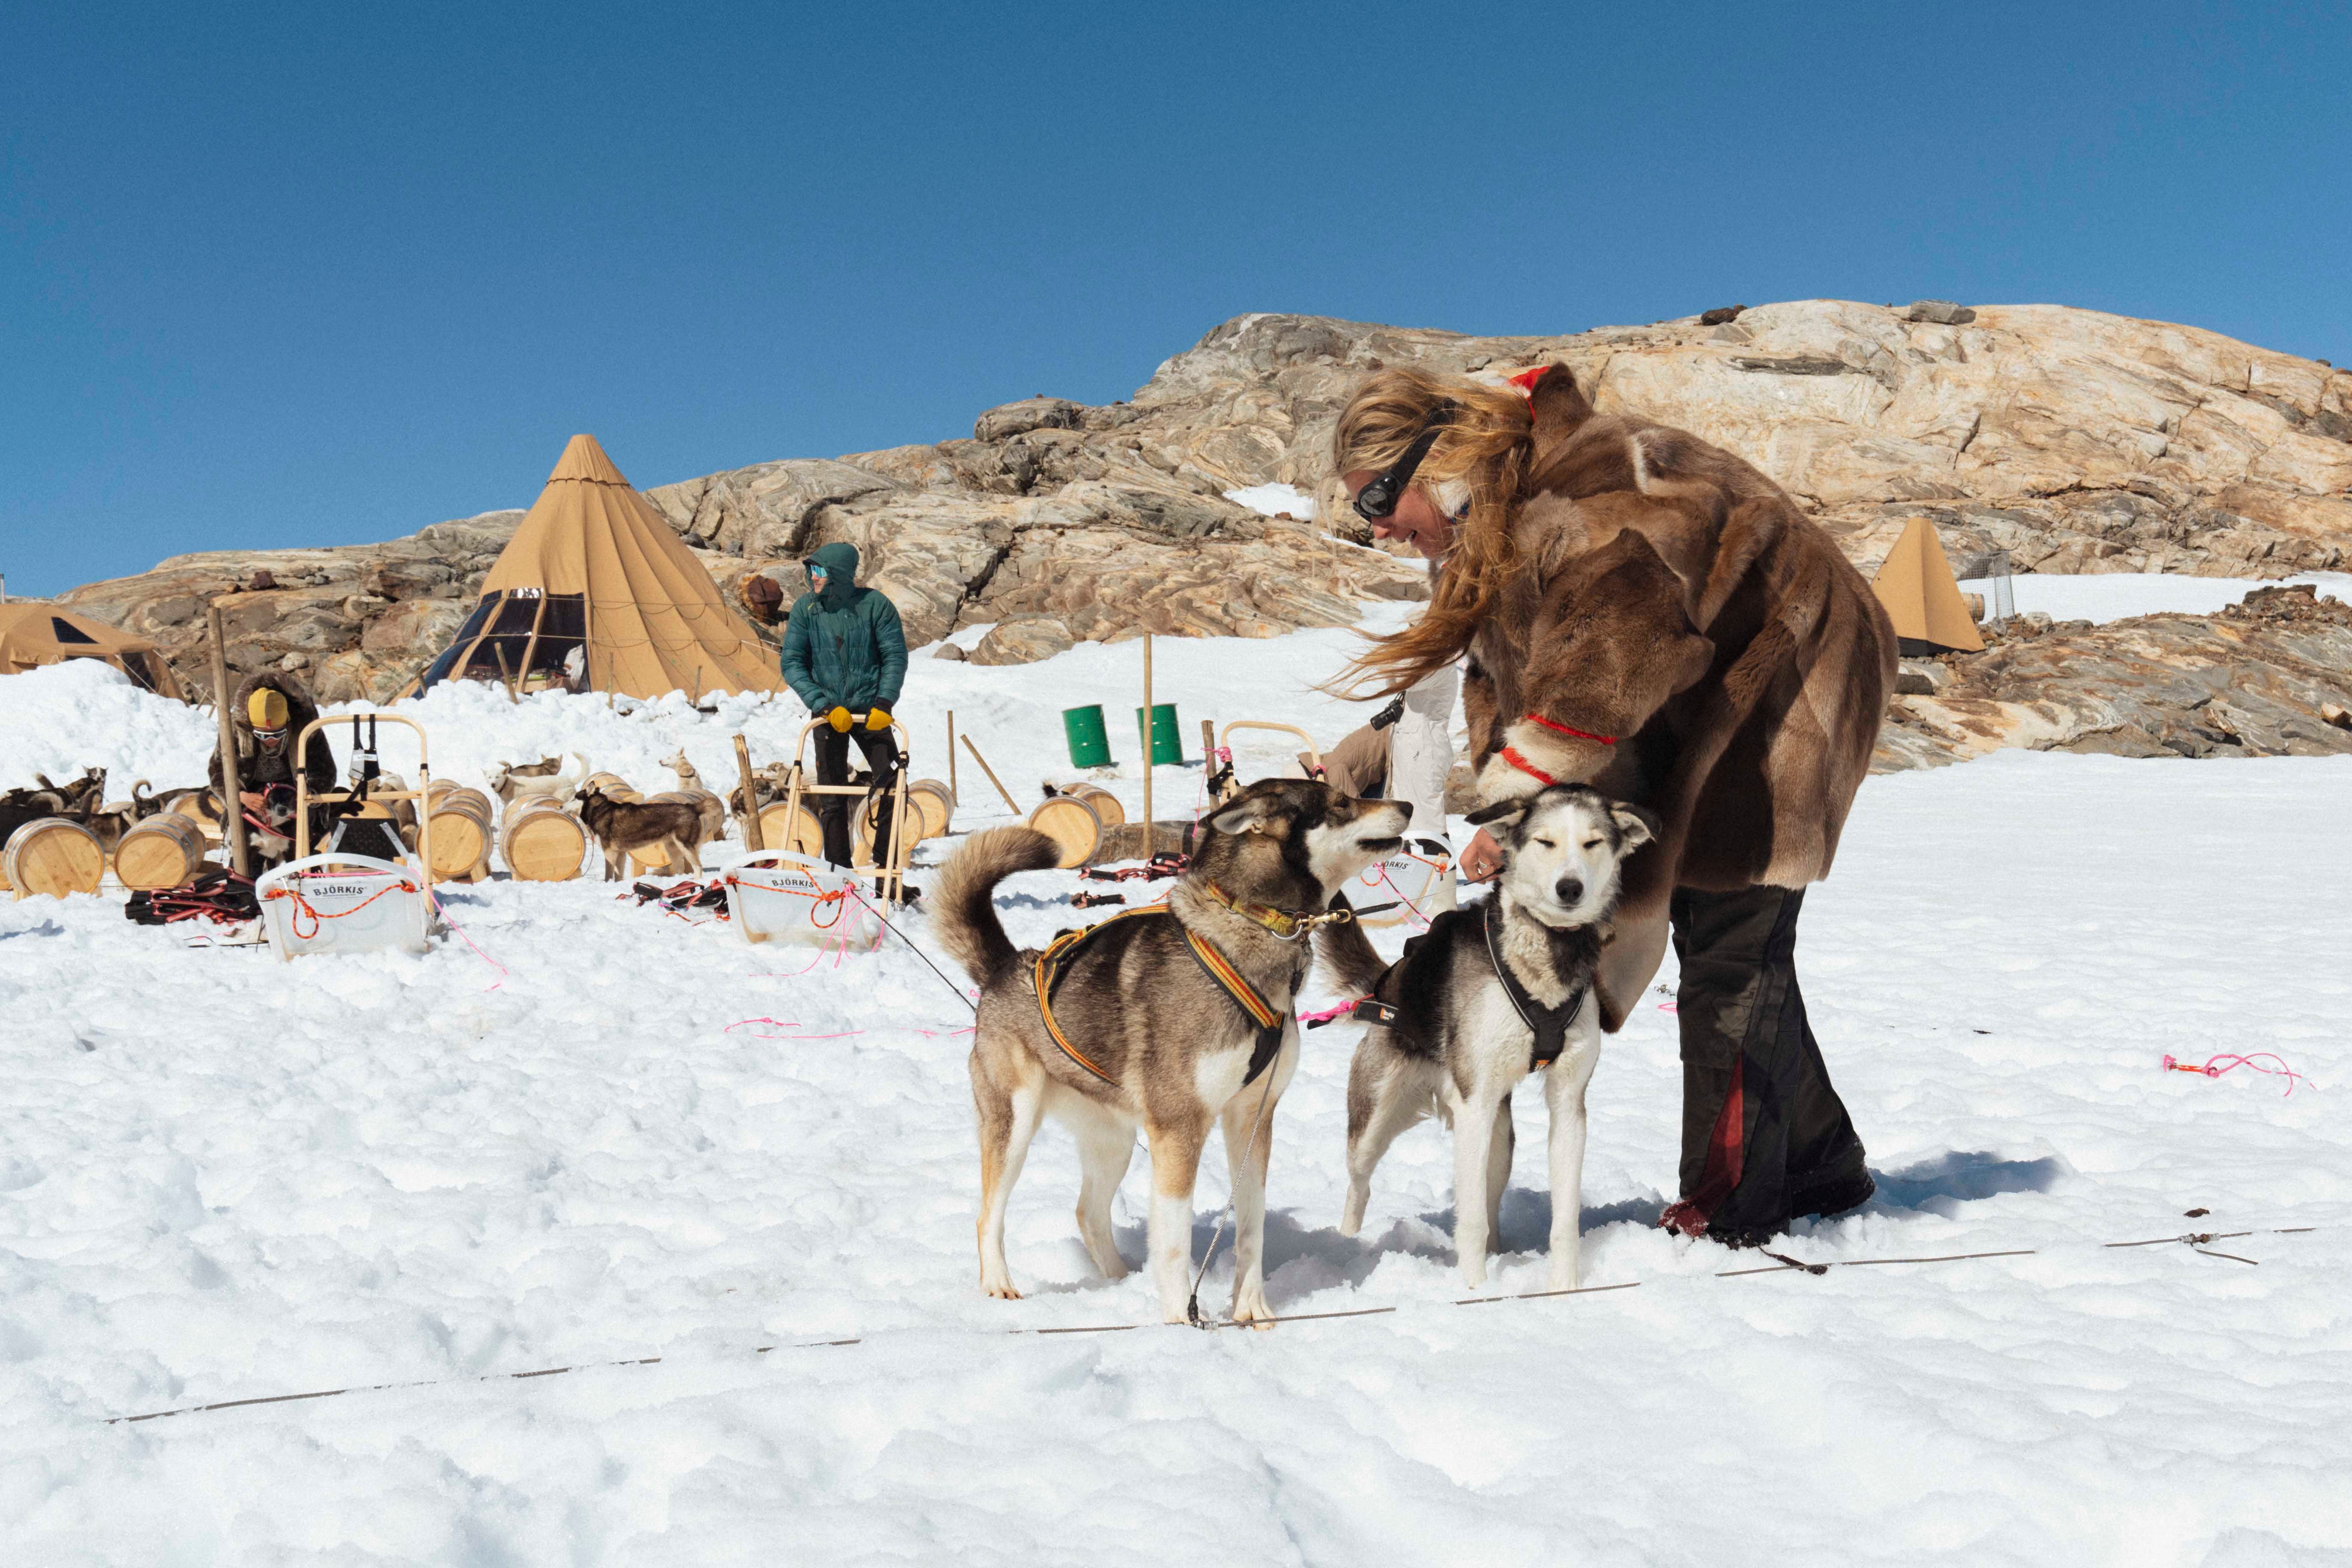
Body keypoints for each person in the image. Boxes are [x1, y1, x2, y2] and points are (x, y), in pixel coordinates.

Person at [1329, 363, 1896, 1247]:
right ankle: (1821, 1156)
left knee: (1731, 934)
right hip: (1700, 706)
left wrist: (1524, 815)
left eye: (1375, 500)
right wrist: (1512, 820)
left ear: (1432, 463)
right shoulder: (1503, 522)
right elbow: (1524, 682)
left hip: (1786, 691)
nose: (1375, 527)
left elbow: (1613, 653)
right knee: (1736, 937)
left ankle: (1730, 1199)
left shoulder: (1599, 490)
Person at [779, 542, 910, 883]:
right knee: (831, 794)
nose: (813, 577)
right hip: (828, 711)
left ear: (838, 573)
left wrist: (885, 702)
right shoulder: (806, 609)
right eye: (810, 571)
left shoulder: (875, 605)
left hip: (871, 710)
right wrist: (821, 704)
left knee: (894, 785)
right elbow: (792, 663)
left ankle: (886, 872)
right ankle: (841, 875)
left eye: (819, 571)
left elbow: (894, 655)